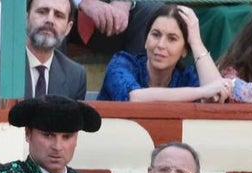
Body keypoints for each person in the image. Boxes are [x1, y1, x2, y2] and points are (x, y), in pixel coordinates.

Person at [97, 4, 231, 103]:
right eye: (155, 35)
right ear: (145, 40)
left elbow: (218, 97)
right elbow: (135, 98)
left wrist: (196, 43)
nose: (161, 45)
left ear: (184, 50)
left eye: (172, 39)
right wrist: (202, 91)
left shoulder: (186, 77)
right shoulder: (122, 63)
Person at [0, 0, 88, 107]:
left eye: (58, 15)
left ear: (68, 28)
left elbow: (70, 129)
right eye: (42, 12)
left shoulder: (75, 76)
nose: (50, 20)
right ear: (25, 18)